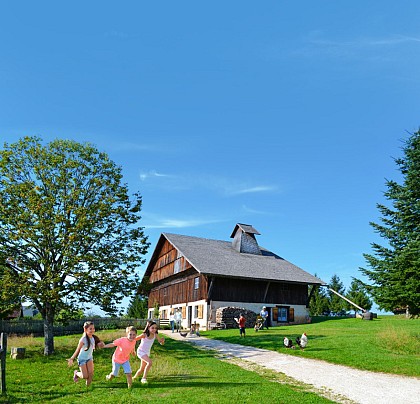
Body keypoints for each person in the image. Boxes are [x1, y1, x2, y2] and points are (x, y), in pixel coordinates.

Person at [67, 321, 105, 386]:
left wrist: (101, 344)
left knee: (91, 373)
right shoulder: (83, 339)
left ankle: (88, 387)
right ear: (85, 329)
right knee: (85, 376)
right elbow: (78, 349)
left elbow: (100, 343)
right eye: (90, 329)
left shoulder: (94, 337)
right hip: (82, 359)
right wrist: (72, 358)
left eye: (93, 328)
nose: (92, 330)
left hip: (89, 358)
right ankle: (76, 373)